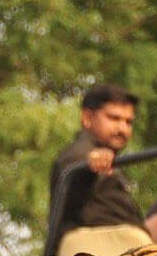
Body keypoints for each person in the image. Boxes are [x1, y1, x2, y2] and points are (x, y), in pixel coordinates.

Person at [50, 83, 145, 237]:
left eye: (128, 122)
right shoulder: (78, 156)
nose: (123, 129)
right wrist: (92, 163)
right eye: (114, 118)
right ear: (87, 118)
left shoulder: (112, 163)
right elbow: (74, 186)